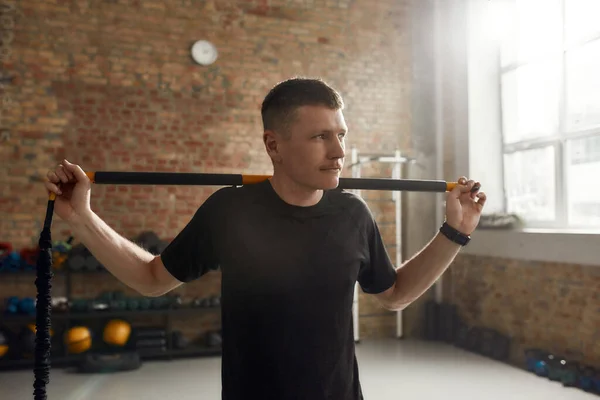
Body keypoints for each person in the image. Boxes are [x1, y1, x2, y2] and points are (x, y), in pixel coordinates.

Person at [44, 77, 486, 399]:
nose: (338, 152)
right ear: (273, 145)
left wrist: (455, 232)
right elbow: (151, 277)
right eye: (319, 137)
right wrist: (81, 217)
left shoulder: (352, 213)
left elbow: (393, 294)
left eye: (341, 135)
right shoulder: (229, 211)